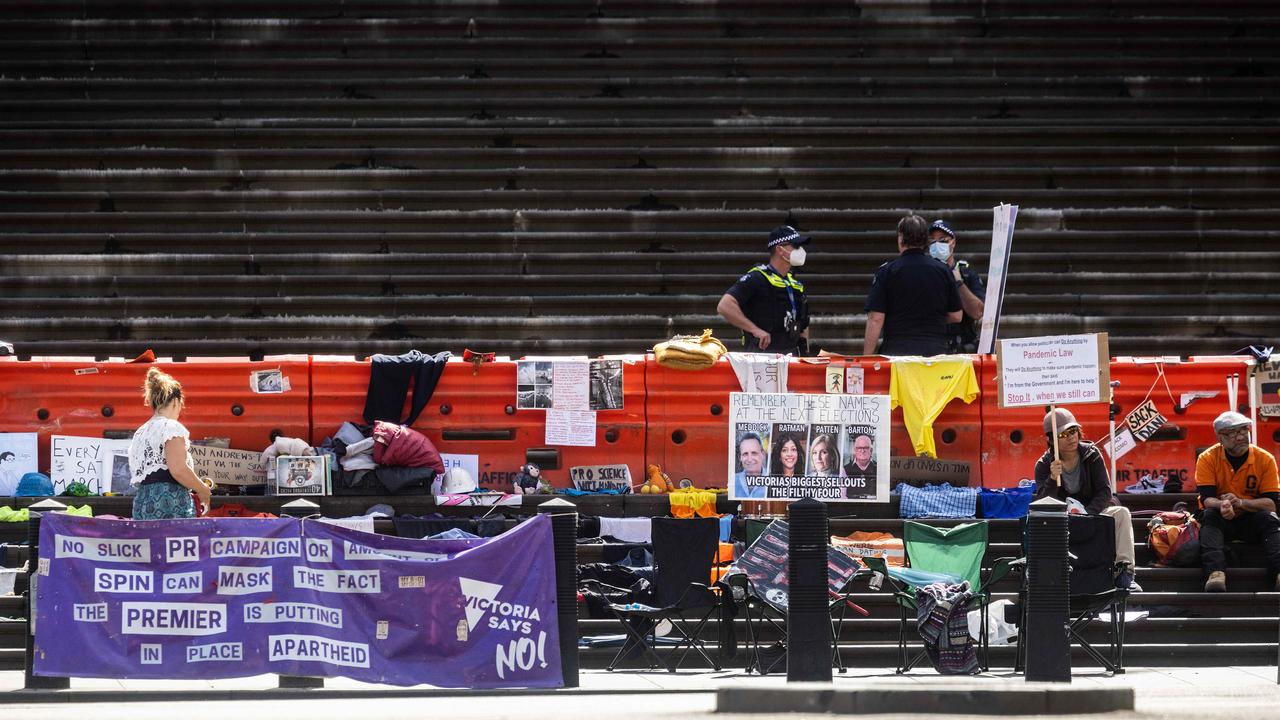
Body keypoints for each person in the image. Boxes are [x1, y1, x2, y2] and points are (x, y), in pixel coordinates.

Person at [1032, 408, 1138, 589]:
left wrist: (1088, 514)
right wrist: (1051, 480)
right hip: (1063, 520)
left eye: (1073, 431)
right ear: (1050, 440)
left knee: (1121, 513)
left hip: (1092, 513)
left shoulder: (1091, 454)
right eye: (1063, 434)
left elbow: (1105, 492)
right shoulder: (1043, 465)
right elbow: (1043, 503)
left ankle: (1125, 573)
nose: (1071, 437)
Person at [1196, 411, 1280, 592]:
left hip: (1252, 521)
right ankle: (1216, 573)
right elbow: (1207, 499)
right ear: (1220, 437)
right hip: (1222, 520)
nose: (1241, 437)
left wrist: (1241, 503)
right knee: (1209, 515)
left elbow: (1271, 503)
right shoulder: (1207, 458)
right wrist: (1222, 505)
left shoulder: (1265, 459)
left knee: (1270, 518)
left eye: (1243, 431)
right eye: (1233, 433)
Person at [863, 214, 962, 356]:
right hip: (935, 353)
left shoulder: (887, 271)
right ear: (925, 240)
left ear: (901, 238)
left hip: (897, 352)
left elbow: (876, 318)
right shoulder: (943, 271)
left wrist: (866, 357)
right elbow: (956, 315)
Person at [128, 367, 211, 520]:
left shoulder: (140, 432)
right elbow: (178, 469)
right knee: (177, 542)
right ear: (175, 402)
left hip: (143, 503)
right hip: (171, 502)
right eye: (180, 406)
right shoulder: (170, 427)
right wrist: (202, 489)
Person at [718, 225, 811, 355]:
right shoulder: (757, 278)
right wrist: (754, 330)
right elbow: (724, 306)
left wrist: (805, 352)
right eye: (795, 246)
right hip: (761, 359)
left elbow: (803, 326)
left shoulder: (795, 284)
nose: (801, 250)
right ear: (780, 249)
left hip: (792, 357)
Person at [928, 220, 986, 353]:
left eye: (942, 240)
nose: (937, 245)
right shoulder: (924, 273)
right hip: (932, 345)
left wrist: (959, 283)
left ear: (952, 242)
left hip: (962, 347)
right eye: (932, 241)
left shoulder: (966, 274)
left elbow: (978, 313)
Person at [733, 432, 768, 499]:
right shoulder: (733, 480)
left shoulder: (774, 481)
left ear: (762, 455)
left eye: (754, 453)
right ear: (740, 457)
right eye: (745, 454)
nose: (749, 459)